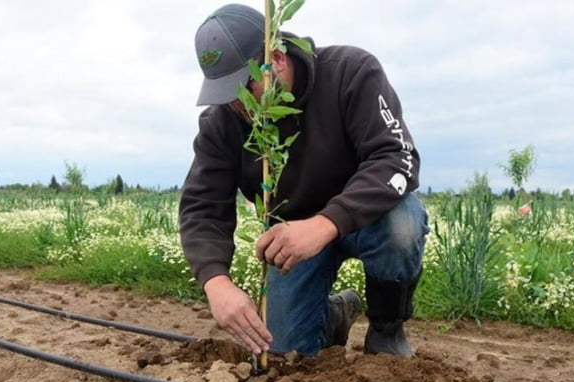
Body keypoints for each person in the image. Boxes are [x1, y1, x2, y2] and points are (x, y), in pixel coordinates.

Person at [179, 4, 428, 357]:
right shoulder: (222, 122)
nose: (239, 104)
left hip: (366, 218)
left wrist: (326, 223)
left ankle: (387, 331)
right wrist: (215, 282)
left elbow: (396, 159)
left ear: (276, 58)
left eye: (244, 85)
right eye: (226, 93)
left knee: (402, 224)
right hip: (291, 239)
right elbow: (202, 206)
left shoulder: (351, 73)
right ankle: (333, 316)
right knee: (283, 353)